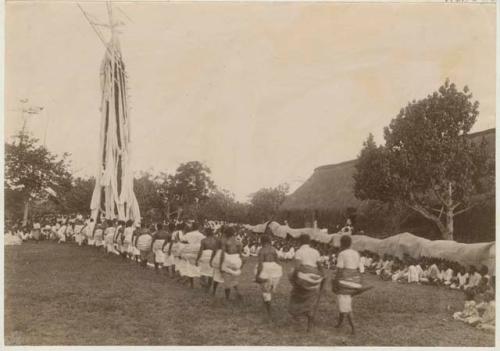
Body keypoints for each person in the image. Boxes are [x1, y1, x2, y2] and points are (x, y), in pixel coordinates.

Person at [332, 235, 372, 335]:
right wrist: (360, 282)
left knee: (345, 304)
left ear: (342, 244)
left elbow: (340, 271)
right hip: (355, 281)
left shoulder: (342, 254)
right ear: (350, 244)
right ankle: (339, 323)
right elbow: (361, 269)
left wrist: (335, 283)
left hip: (346, 281)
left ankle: (353, 328)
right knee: (344, 300)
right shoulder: (356, 253)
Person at [288, 234, 324, 332]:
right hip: (315, 278)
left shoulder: (299, 251)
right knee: (310, 301)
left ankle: (297, 313)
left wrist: (295, 281)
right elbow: (320, 267)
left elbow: (297, 267)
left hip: (304, 277)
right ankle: (309, 325)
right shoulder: (315, 252)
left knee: (291, 275)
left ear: (300, 242)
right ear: (309, 242)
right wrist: (322, 278)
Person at [255, 234, 282, 319]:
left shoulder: (262, 250)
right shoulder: (274, 249)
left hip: (266, 268)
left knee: (265, 290)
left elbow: (260, 265)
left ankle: (269, 311)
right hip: (275, 269)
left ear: (262, 242)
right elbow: (278, 262)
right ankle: (265, 305)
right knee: (268, 288)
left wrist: (257, 275)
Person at [219, 226, 244, 300]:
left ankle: (227, 297)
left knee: (227, 279)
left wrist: (221, 265)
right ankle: (238, 292)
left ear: (226, 234)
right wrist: (240, 264)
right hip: (236, 260)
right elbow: (240, 254)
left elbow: (222, 254)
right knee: (234, 278)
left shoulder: (226, 242)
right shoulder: (239, 242)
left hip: (228, 259)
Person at [196, 227, 218, 292]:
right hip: (213, 256)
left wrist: (197, 259)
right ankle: (208, 286)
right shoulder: (216, 240)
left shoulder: (203, 240)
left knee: (203, 271)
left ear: (206, 233)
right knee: (211, 273)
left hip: (205, 256)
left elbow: (200, 251)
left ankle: (204, 284)